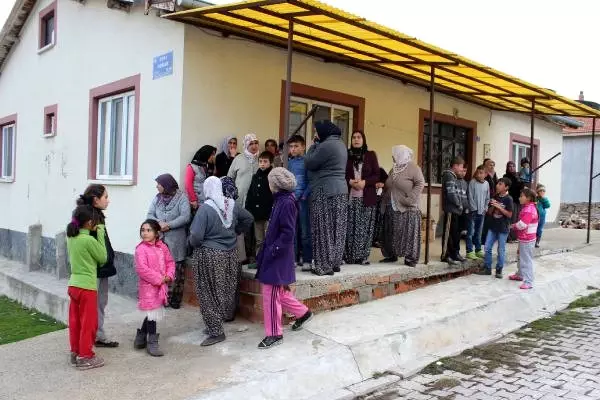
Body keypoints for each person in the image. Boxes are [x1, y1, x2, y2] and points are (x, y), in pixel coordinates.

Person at [189, 177, 253, 346]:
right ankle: (215, 324)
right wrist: (235, 232)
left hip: (210, 255)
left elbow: (195, 236)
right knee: (225, 289)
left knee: (208, 292)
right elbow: (249, 219)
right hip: (231, 253)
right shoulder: (231, 204)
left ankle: (216, 331)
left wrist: (193, 245)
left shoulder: (205, 209)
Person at [255, 168, 314, 349]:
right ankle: (303, 313)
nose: (268, 183)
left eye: (270, 180)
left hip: (278, 256)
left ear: (276, 184)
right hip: (274, 254)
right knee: (278, 292)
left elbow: (288, 233)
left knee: (270, 294)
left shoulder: (286, 202)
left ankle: (274, 333)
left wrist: (273, 250)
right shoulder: (280, 200)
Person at [66, 204, 107, 370]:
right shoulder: (89, 240)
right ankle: (85, 356)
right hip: (87, 288)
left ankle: (75, 352)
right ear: (90, 223)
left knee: (75, 322)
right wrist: (101, 233)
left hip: (73, 285)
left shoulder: (71, 237)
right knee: (88, 323)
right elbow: (102, 257)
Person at [77, 185, 119, 348]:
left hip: (101, 269)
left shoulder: (96, 215)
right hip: (94, 271)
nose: (108, 201)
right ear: (96, 199)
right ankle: (88, 341)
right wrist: (102, 261)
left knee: (100, 303)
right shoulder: (89, 219)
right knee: (93, 306)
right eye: (105, 197)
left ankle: (98, 335)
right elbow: (92, 247)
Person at [305, 120, 348, 276]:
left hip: (325, 191)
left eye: (316, 132)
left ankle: (324, 265)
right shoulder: (340, 144)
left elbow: (309, 162)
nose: (315, 135)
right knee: (337, 228)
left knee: (323, 228)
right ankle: (334, 262)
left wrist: (313, 145)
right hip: (340, 191)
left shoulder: (326, 145)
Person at [147, 174, 191, 309]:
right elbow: (150, 214)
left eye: (158, 184)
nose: (156, 187)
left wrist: (169, 225)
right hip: (160, 240)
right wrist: (158, 223)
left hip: (176, 240)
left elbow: (185, 216)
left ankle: (175, 300)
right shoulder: (157, 198)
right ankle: (162, 298)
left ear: (166, 185)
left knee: (176, 270)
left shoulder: (182, 197)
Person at [133, 219, 175, 357]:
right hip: (148, 287)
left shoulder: (162, 247)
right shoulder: (141, 249)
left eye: (148, 230)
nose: (144, 233)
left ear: (157, 233)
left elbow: (170, 262)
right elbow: (142, 269)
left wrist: (168, 275)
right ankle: (152, 342)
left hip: (161, 286)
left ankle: (140, 337)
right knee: (152, 313)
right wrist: (159, 279)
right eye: (143, 230)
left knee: (152, 312)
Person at [380, 145, 424, 266]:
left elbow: (420, 183)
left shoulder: (414, 168)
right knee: (392, 232)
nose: (393, 157)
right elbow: (389, 184)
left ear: (401, 154)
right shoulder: (394, 169)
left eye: (395, 154)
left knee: (409, 234)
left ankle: (411, 258)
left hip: (407, 207)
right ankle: (391, 255)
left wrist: (410, 198)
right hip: (392, 206)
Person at [344, 130, 380, 265]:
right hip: (351, 197)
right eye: (353, 137)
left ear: (363, 140)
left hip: (366, 198)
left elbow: (377, 174)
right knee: (350, 227)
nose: (356, 140)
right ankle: (349, 256)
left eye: (359, 137)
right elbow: (342, 173)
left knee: (364, 228)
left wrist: (365, 182)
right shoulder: (347, 156)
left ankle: (362, 256)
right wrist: (349, 181)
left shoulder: (370, 155)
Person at [228, 134, 260, 263]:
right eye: (251, 143)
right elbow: (230, 178)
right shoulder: (238, 159)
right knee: (242, 225)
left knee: (255, 227)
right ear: (246, 145)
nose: (254, 146)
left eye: (256, 143)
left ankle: (254, 254)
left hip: (256, 200)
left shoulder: (261, 159)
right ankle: (242, 255)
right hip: (240, 199)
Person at [476, 178, 513, 278]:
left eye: (500, 184)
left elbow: (509, 215)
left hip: (503, 228)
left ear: (506, 187)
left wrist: (500, 207)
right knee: (487, 247)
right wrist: (492, 205)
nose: (497, 185)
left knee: (501, 249)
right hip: (493, 227)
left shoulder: (509, 199)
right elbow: (489, 212)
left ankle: (499, 269)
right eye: (497, 183)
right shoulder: (495, 196)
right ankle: (487, 268)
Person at [245, 151, 274, 268]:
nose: (262, 164)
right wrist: (249, 209)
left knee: (269, 238)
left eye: (265, 161)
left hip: (268, 213)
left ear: (270, 163)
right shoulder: (255, 176)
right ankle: (259, 260)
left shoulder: (272, 176)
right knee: (259, 240)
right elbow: (251, 194)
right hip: (257, 214)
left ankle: (269, 261)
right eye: (260, 161)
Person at [287, 134, 312, 270]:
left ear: (303, 146)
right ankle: (293, 258)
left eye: (296, 146)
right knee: (292, 230)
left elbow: (311, 180)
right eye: (291, 147)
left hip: (303, 200)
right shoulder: (289, 163)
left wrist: (304, 195)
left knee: (305, 231)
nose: (293, 149)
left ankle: (308, 259)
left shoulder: (308, 161)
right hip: (292, 200)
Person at [510, 188, 539, 289]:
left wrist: (513, 226)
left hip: (527, 239)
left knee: (526, 260)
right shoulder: (528, 207)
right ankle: (520, 274)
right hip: (525, 238)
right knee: (520, 256)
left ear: (528, 198)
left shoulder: (528, 210)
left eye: (522, 196)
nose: (519, 198)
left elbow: (522, 225)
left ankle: (528, 281)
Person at [441, 157, 467, 265]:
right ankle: (445, 255)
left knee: (455, 233)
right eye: (461, 167)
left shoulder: (454, 176)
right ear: (455, 166)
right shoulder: (449, 175)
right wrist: (459, 204)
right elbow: (451, 193)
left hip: (456, 210)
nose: (461, 169)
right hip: (451, 209)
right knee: (448, 233)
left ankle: (454, 253)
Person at [466, 165, 489, 260]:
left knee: (479, 232)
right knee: (471, 232)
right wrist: (473, 208)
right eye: (477, 172)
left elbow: (487, 197)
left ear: (485, 174)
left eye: (481, 173)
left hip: (482, 212)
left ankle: (478, 250)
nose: (479, 175)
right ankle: (469, 251)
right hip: (473, 212)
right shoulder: (472, 182)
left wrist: (485, 207)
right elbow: (470, 196)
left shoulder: (487, 184)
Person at [185, 145, 217, 210]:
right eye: (212, 155)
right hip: (197, 201)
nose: (213, 157)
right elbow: (188, 185)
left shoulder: (207, 166)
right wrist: (193, 200)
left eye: (214, 155)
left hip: (207, 200)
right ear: (206, 154)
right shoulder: (191, 167)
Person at [503, 161, 524, 243]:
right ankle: (509, 237)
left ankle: (516, 236)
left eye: (513, 166)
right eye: (510, 166)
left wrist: (520, 179)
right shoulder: (506, 176)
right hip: (512, 200)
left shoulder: (518, 175)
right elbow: (512, 186)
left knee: (518, 219)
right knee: (512, 219)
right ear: (507, 168)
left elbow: (521, 186)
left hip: (519, 200)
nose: (511, 168)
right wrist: (517, 179)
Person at [481, 158, 498, 245]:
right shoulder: (483, 175)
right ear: (485, 166)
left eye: (493, 165)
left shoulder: (494, 174)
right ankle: (483, 240)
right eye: (490, 165)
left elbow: (497, 185)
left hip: (493, 200)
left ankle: (488, 238)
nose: (492, 166)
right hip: (484, 200)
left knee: (490, 221)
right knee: (484, 222)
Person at [372, 168, 389, 249]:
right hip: (370, 199)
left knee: (379, 219)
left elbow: (388, 182)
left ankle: (376, 239)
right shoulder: (366, 171)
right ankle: (370, 239)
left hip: (379, 199)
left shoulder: (381, 170)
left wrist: (382, 184)